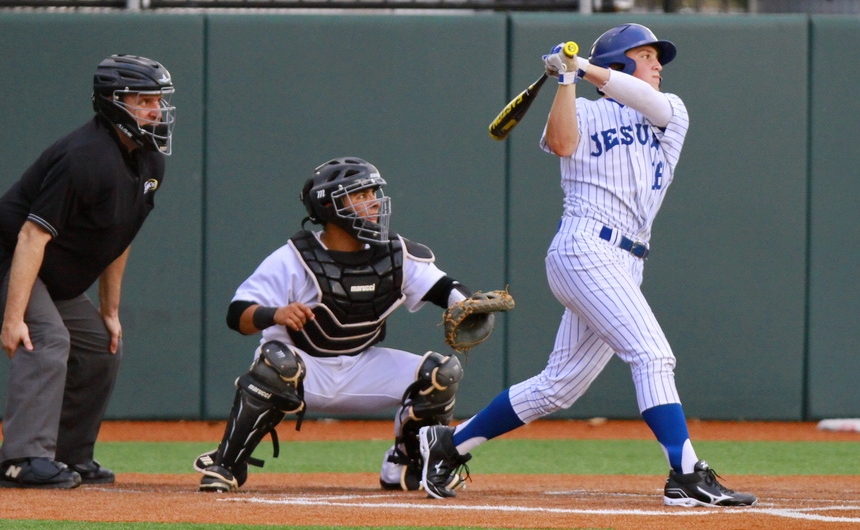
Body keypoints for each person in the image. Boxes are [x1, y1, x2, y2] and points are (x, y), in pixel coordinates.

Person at [418, 23, 758, 507]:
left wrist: (582, 67)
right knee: (653, 355)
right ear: (621, 61)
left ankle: (448, 445)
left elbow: (650, 102)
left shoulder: (671, 113)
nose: (659, 64)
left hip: (627, 260)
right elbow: (561, 144)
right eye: (646, 55)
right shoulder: (579, 108)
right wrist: (564, 79)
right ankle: (685, 475)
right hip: (584, 248)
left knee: (559, 387)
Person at [194, 157, 503, 493]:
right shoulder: (294, 257)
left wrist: (466, 304)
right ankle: (229, 462)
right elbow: (237, 315)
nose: (373, 202)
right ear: (329, 206)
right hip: (303, 369)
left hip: (360, 366)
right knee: (275, 363)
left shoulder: (395, 253)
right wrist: (275, 314)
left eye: (373, 192)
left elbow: (444, 288)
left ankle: (407, 464)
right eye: (360, 195)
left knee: (442, 374)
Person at [0, 55, 176, 489]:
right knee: (48, 337)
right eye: (143, 100)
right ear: (114, 104)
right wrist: (13, 317)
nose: (156, 110)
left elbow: (120, 236)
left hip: (47, 273)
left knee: (100, 345)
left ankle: (67, 455)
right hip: (11, 258)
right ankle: (21, 459)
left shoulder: (150, 161)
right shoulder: (85, 157)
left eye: (159, 99)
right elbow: (30, 237)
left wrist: (109, 310)